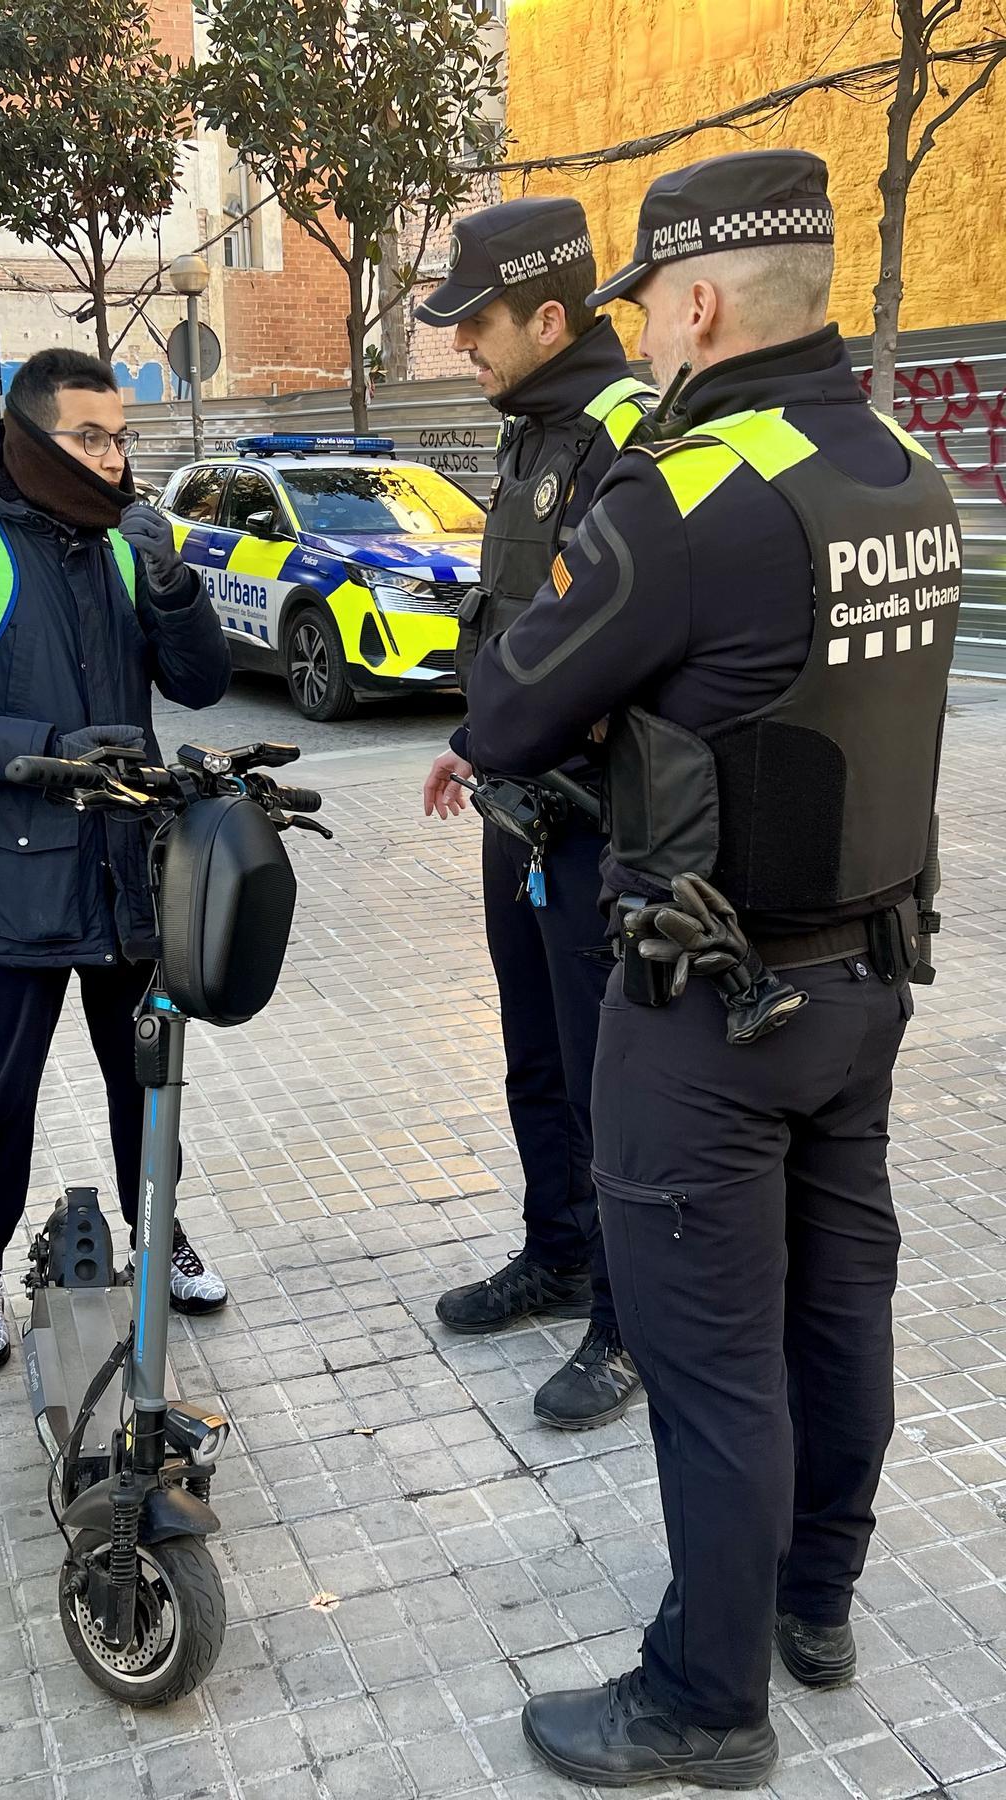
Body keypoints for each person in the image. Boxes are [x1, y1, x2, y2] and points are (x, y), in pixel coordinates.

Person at [466, 150, 961, 1788]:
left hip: (709, 1007)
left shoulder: (692, 493)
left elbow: (507, 717)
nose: (647, 344)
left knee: (711, 1355)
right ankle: (817, 1604)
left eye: (647, 316)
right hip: (872, 983)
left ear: (691, 302)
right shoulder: (910, 463)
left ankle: (705, 1697)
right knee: (843, 1308)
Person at [0, 349, 232, 1371]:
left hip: (130, 867)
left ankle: (157, 1237)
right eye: (90, 438)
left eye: (122, 438)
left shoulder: (128, 545)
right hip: (12, 875)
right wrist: (43, 753)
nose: (113, 461)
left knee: (148, 1081)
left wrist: (170, 581)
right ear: (31, 437)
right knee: (3, 1093)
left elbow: (205, 683)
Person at [417, 197, 653, 1429]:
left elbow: (625, 650)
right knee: (535, 1056)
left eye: (480, 322)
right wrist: (471, 740)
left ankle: (624, 1322)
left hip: (596, 826)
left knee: (609, 1076)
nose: (463, 344)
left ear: (552, 317)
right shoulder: (528, 434)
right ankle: (557, 1255)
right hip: (521, 814)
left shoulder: (627, 436)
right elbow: (524, 626)